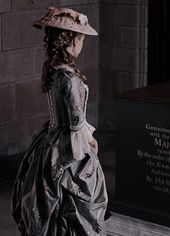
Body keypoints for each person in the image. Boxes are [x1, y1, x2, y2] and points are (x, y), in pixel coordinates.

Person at [12, 7, 108, 236]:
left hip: (48, 141)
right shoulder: (70, 78)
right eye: (81, 38)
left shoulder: (52, 66)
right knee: (74, 200)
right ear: (71, 39)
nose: (82, 44)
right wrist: (91, 141)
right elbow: (76, 123)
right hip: (68, 146)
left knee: (49, 201)